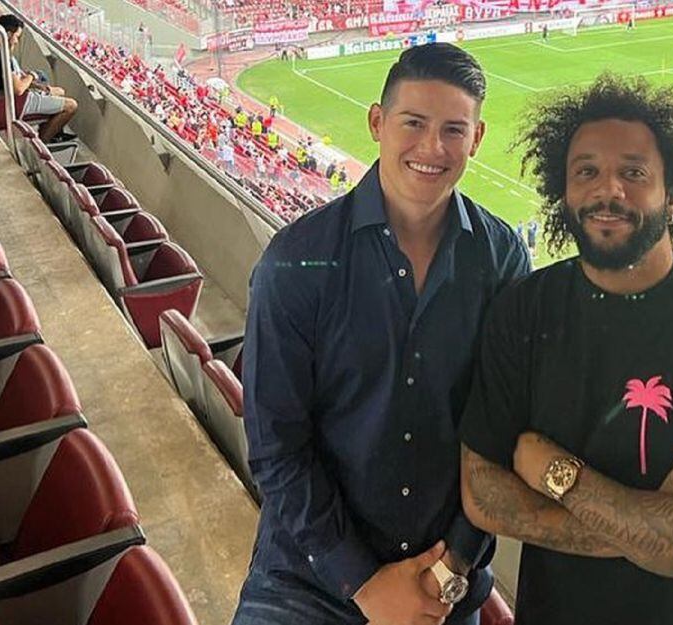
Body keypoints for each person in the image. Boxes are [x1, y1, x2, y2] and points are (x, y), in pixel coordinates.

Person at [459, 73, 673, 625]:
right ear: (563, 192)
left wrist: (559, 475)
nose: (607, 190)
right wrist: (656, 519)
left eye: (633, 173)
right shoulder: (523, 311)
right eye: (586, 172)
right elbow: (482, 495)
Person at [232, 43, 533, 625]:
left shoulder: (501, 262)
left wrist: (447, 573)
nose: (432, 148)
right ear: (377, 122)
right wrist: (365, 585)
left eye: (453, 130)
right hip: (306, 583)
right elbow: (277, 449)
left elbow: (502, 432)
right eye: (413, 124)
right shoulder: (295, 262)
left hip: (446, 583)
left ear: (477, 138)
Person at [0, 15, 77, 142]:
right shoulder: (3, 56)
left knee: (59, 92)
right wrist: (32, 76)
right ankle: (41, 143)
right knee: (71, 105)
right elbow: (18, 89)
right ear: (8, 34)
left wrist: (37, 86)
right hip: (16, 101)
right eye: (17, 37)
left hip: (2, 97)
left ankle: (52, 133)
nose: (17, 42)